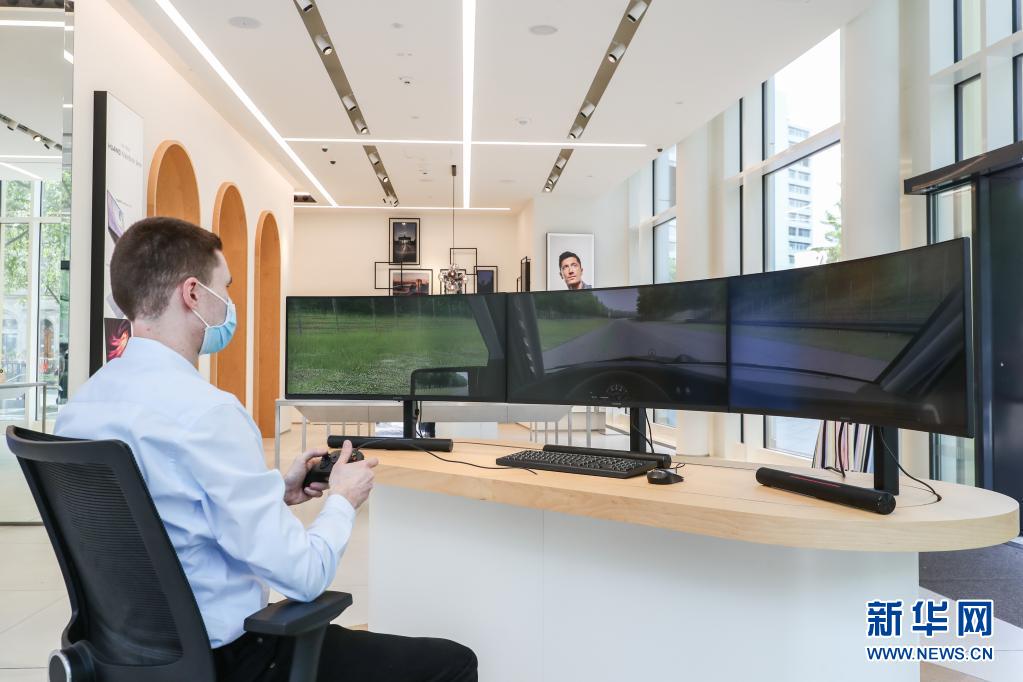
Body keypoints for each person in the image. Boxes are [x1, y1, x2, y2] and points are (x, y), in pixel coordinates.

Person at [55, 217, 477, 682]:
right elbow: (305, 576)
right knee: (454, 663)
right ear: (193, 293)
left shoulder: (80, 409)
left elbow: (162, 512)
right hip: (232, 661)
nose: (229, 302)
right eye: (225, 287)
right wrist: (343, 499)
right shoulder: (209, 413)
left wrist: (274, 491)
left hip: (128, 659)